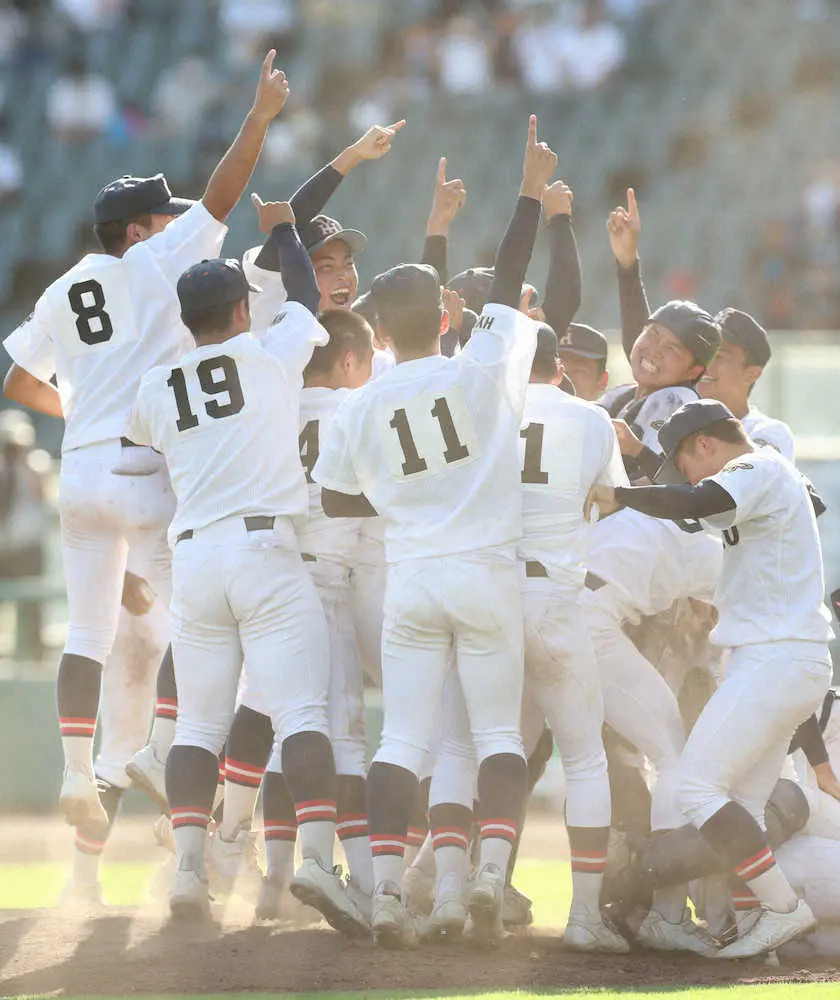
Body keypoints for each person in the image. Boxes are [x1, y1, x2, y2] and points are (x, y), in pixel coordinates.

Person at [3, 51, 290, 838]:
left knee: (88, 633)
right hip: (145, 469)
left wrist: (81, 410)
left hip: (83, 472)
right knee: (194, 620)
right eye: (165, 218)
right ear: (138, 231)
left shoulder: (63, 289)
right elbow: (229, 188)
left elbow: (15, 383)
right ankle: (158, 751)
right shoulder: (156, 262)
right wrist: (259, 117)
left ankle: (74, 773)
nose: (179, 225)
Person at [312, 115, 558, 948]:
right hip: (486, 572)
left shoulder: (363, 399)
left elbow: (340, 501)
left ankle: (386, 892)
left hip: (411, 578)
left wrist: (399, 502)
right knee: (495, 736)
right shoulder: (482, 366)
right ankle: (489, 875)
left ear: (379, 331)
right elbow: (513, 278)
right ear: (446, 317)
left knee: (403, 741)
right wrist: (527, 192)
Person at [126, 232, 364, 935]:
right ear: (238, 309)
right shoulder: (266, 354)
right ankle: (319, 865)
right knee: (302, 719)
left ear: (184, 319)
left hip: (196, 558)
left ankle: (191, 873)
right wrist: (287, 228)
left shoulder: (156, 385)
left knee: (198, 727)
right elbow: (300, 296)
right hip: (265, 550)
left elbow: (140, 444)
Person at [586, 398, 834, 959]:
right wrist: (648, 457)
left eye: (686, 462)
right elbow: (698, 504)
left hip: (774, 657)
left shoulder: (756, 466)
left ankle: (781, 910)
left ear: (704, 445)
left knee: (697, 787)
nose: (689, 476)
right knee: (744, 804)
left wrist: (618, 494)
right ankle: (755, 927)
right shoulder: (768, 475)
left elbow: (699, 498)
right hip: (786, 659)